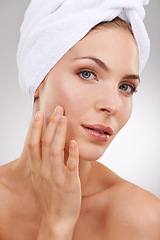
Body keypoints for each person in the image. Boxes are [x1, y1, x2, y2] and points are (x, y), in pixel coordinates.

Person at [0, 1, 160, 240]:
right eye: (87, 73)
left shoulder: (142, 217)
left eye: (126, 87)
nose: (112, 105)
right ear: (38, 78)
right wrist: (56, 224)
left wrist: (58, 224)